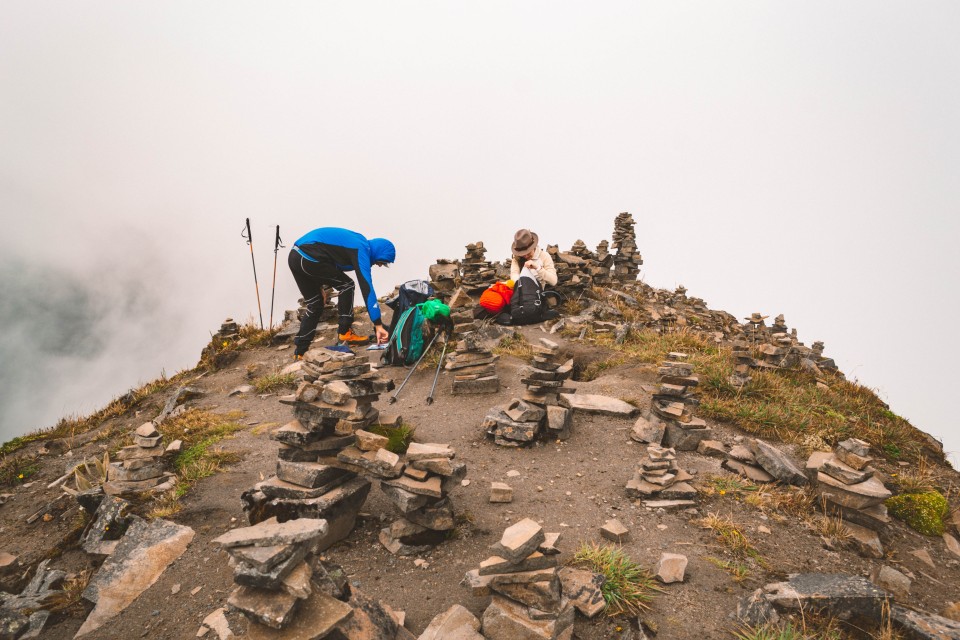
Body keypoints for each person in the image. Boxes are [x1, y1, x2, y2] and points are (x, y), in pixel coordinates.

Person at [288, 227, 395, 356]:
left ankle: (300, 351)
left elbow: (328, 257)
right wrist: (378, 324)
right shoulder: (362, 248)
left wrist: (319, 286)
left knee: (315, 303)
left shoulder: (358, 242)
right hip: (309, 256)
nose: (379, 265)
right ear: (377, 252)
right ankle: (345, 333)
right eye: (381, 261)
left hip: (296, 257)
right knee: (347, 285)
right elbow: (366, 286)